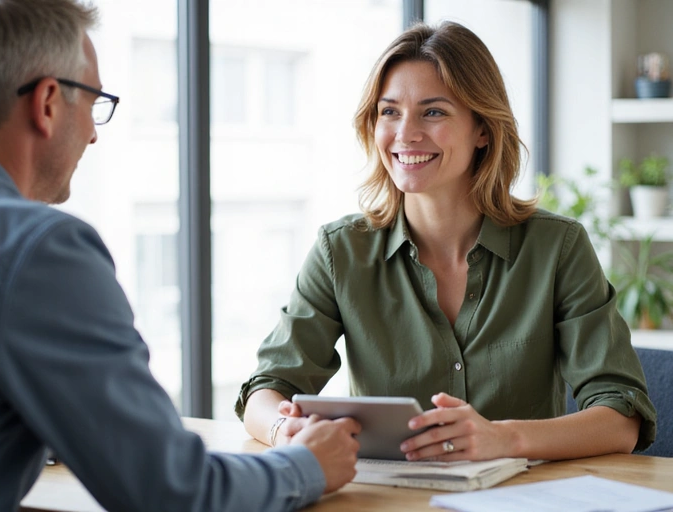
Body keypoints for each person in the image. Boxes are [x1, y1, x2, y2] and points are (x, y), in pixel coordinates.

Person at [0, 1, 362, 511]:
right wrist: (307, 466)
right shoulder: (33, 249)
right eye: (94, 101)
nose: (95, 132)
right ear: (49, 102)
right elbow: (173, 492)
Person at [236, 20, 657, 462]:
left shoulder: (557, 247)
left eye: (433, 112)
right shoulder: (340, 252)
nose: (405, 133)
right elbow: (266, 390)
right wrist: (286, 429)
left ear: (482, 129)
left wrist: (505, 439)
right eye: (389, 111)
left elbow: (621, 417)